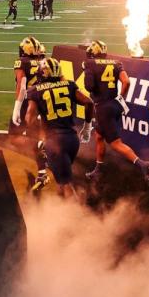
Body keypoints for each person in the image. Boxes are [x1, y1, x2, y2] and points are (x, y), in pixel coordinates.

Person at [80, 40, 149, 182]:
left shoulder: (89, 64)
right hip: (114, 105)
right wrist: (120, 98)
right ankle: (98, 170)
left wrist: (87, 72)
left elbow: (89, 87)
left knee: (115, 143)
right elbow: (127, 82)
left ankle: (143, 164)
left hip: (102, 108)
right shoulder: (116, 63)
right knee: (99, 136)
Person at [24, 57, 93, 198]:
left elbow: (29, 118)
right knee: (62, 178)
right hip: (72, 140)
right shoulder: (69, 85)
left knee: (66, 183)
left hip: (55, 142)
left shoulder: (35, 90)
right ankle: (63, 207)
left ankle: (75, 215)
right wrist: (87, 127)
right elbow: (89, 102)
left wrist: (37, 134)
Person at [11, 36, 46, 130]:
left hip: (27, 100)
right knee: (34, 133)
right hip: (41, 101)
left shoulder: (22, 62)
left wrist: (17, 108)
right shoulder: (43, 63)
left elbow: (22, 87)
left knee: (15, 133)